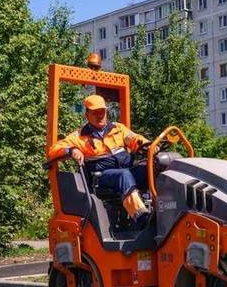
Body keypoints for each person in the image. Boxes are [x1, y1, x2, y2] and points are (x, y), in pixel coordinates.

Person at [48, 94, 150, 224]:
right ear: (87, 114)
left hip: (127, 171)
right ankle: (141, 217)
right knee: (124, 175)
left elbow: (136, 139)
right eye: (95, 112)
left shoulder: (118, 129)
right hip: (102, 178)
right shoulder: (80, 137)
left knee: (153, 165)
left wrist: (149, 146)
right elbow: (53, 150)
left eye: (102, 111)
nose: (100, 115)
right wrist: (71, 150)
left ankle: (165, 211)